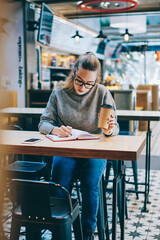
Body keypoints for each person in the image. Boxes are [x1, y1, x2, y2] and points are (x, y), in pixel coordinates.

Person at [38, 52, 119, 240]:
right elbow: (43, 123)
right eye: (79, 81)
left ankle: (87, 232)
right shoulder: (59, 93)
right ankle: (60, 227)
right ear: (74, 73)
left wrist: (108, 130)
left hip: (94, 149)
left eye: (89, 83)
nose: (83, 87)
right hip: (67, 148)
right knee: (58, 180)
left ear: (96, 80)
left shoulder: (102, 93)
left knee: (90, 184)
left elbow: (114, 127)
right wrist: (56, 130)